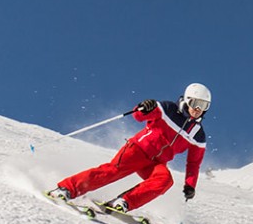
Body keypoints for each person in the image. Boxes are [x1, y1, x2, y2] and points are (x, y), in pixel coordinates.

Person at [48, 83, 211, 212]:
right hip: (138, 149)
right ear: (187, 100)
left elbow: (194, 163)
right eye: (196, 103)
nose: (198, 109)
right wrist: (144, 107)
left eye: (203, 106)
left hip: (156, 163)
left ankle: (124, 201)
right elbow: (139, 116)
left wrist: (190, 185)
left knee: (164, 180)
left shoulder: (198, 135)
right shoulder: (168, 109)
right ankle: (66, 189)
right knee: (112, 171)